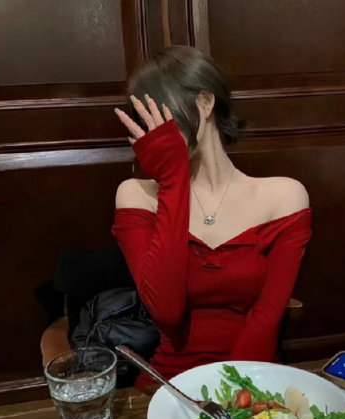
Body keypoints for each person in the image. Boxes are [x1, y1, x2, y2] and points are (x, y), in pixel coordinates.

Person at [112, 46, 311, 386]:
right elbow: (166, 312)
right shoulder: (136, 195)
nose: (153, 131)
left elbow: (265, 321)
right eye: (144, 120)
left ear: (205, 103)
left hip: (253, 382)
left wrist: (229, 400)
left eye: (160, 113)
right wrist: (172, 179)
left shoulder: (284, 197)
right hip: (171, 385)